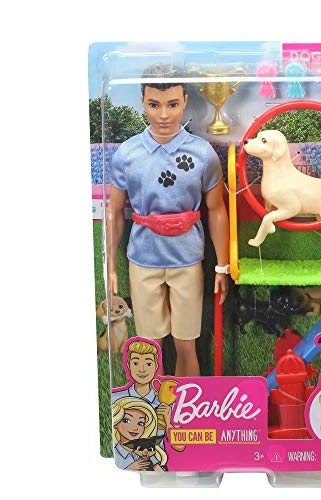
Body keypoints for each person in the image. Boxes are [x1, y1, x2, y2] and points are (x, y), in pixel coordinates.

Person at [107, 64, 230, 377]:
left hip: (187, 258)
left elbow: (216, 209)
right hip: (143, 259)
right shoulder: (127, 154)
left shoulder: (202, 153)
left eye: (172, 104)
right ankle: (151, 403)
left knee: (186, 342)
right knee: (149, 344)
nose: (163, 115)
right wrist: (110, 266)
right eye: (154, 104)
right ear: (143, 102)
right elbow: (114, 211)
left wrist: (222, 266)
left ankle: (189, 401)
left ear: (185, 101)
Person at [112, 396, 168, 471]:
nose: (135, 428)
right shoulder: (116, 454)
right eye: (126, 421)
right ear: (116, 422)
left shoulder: (153, 450)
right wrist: (129, 468)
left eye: (140, 423)